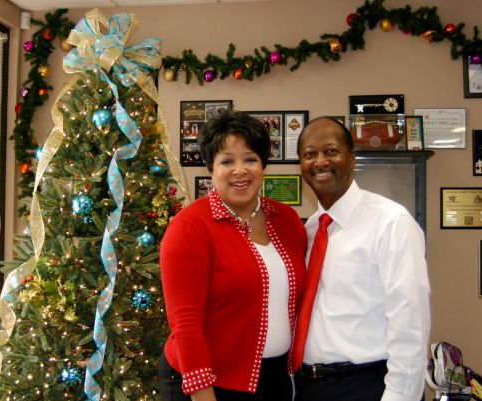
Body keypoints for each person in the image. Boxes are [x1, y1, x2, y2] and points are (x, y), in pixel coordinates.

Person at [159, 109, 307, 401]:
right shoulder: (190, 227)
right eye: (227, 161)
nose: (240, 170)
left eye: (250, 159)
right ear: (211, 168)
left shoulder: (288, 220)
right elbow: (186, 325)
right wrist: (203, 395)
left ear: (263, 165)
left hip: (274, 380)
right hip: (207, 382)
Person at [293, 116, 431, 401]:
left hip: (367, 384)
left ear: (352, 158)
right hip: (309, 386)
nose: (320, 161)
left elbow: (410, 322)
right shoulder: (311, 229)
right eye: (310, 154)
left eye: (331, 151)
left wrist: (400, 396)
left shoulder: (391, 222)